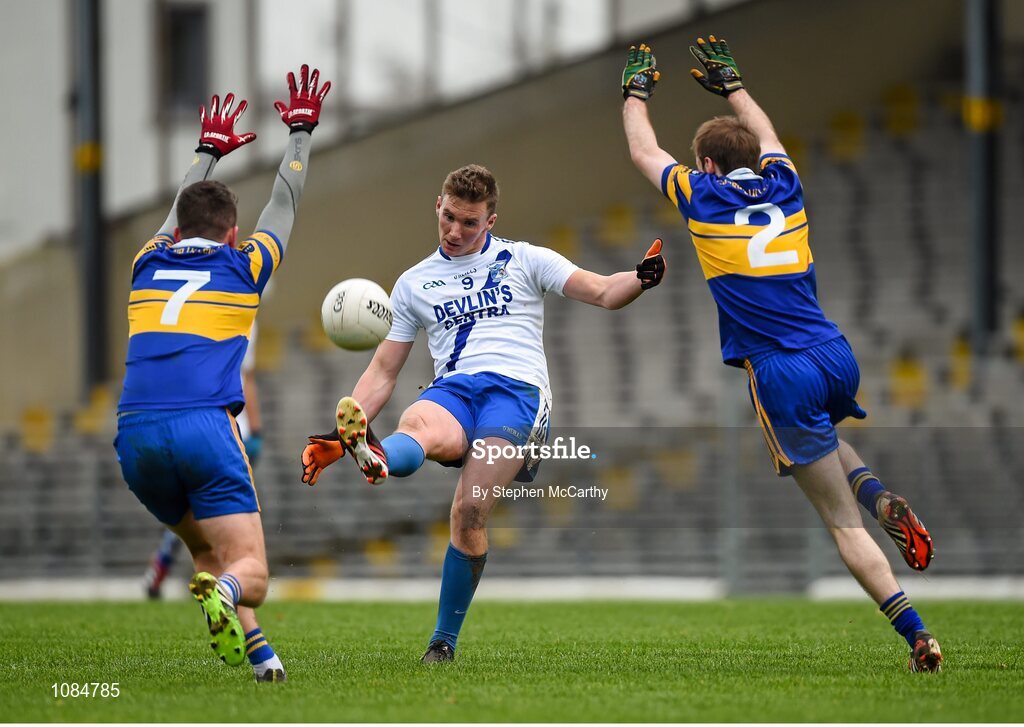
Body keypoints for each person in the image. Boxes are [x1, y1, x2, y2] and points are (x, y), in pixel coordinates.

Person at [620, 38, 941, 672]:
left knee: (837, 520)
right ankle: (880, 497)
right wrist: (734, 87)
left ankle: (917, 635)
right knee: (830, 448)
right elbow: (766, 132)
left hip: (780, 368)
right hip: (832, 350)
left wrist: (635, 92)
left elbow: (640, 149)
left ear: (707, 164)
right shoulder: (785, 184)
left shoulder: (701, 195)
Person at [301, 163, 666, 662]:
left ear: (490, 221)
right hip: (454, 390)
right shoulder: (413, 283)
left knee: (469, 510)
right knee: (417, 423)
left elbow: (602, 291)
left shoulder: (524, 259)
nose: (454, 230)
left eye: (468, 223)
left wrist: (639, 279)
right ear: (438, 205)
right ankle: (376, 456)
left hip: (516, 395)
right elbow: (383, 372)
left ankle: (442, 642)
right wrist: (340, 437)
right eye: (448, 217)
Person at [115, 65, 330, 682]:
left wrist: (206, 153)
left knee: (209, 551)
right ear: (233, 235)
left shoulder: (144, 263)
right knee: (250, 574)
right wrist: (300, 131)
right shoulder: (246, 265)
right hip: (204, 429)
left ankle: (263, 662)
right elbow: (284, 201)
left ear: (176, 233)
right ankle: (232, 597)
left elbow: (173, 217)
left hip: (133, 436)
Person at [142, 322, 263, 600]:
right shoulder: (244, 314)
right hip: (228, 429)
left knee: (198, 507)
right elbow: (248, 376)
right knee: (223, 509)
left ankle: (170, 563)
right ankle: (229, 581)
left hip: (197, 423)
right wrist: (255, 429)